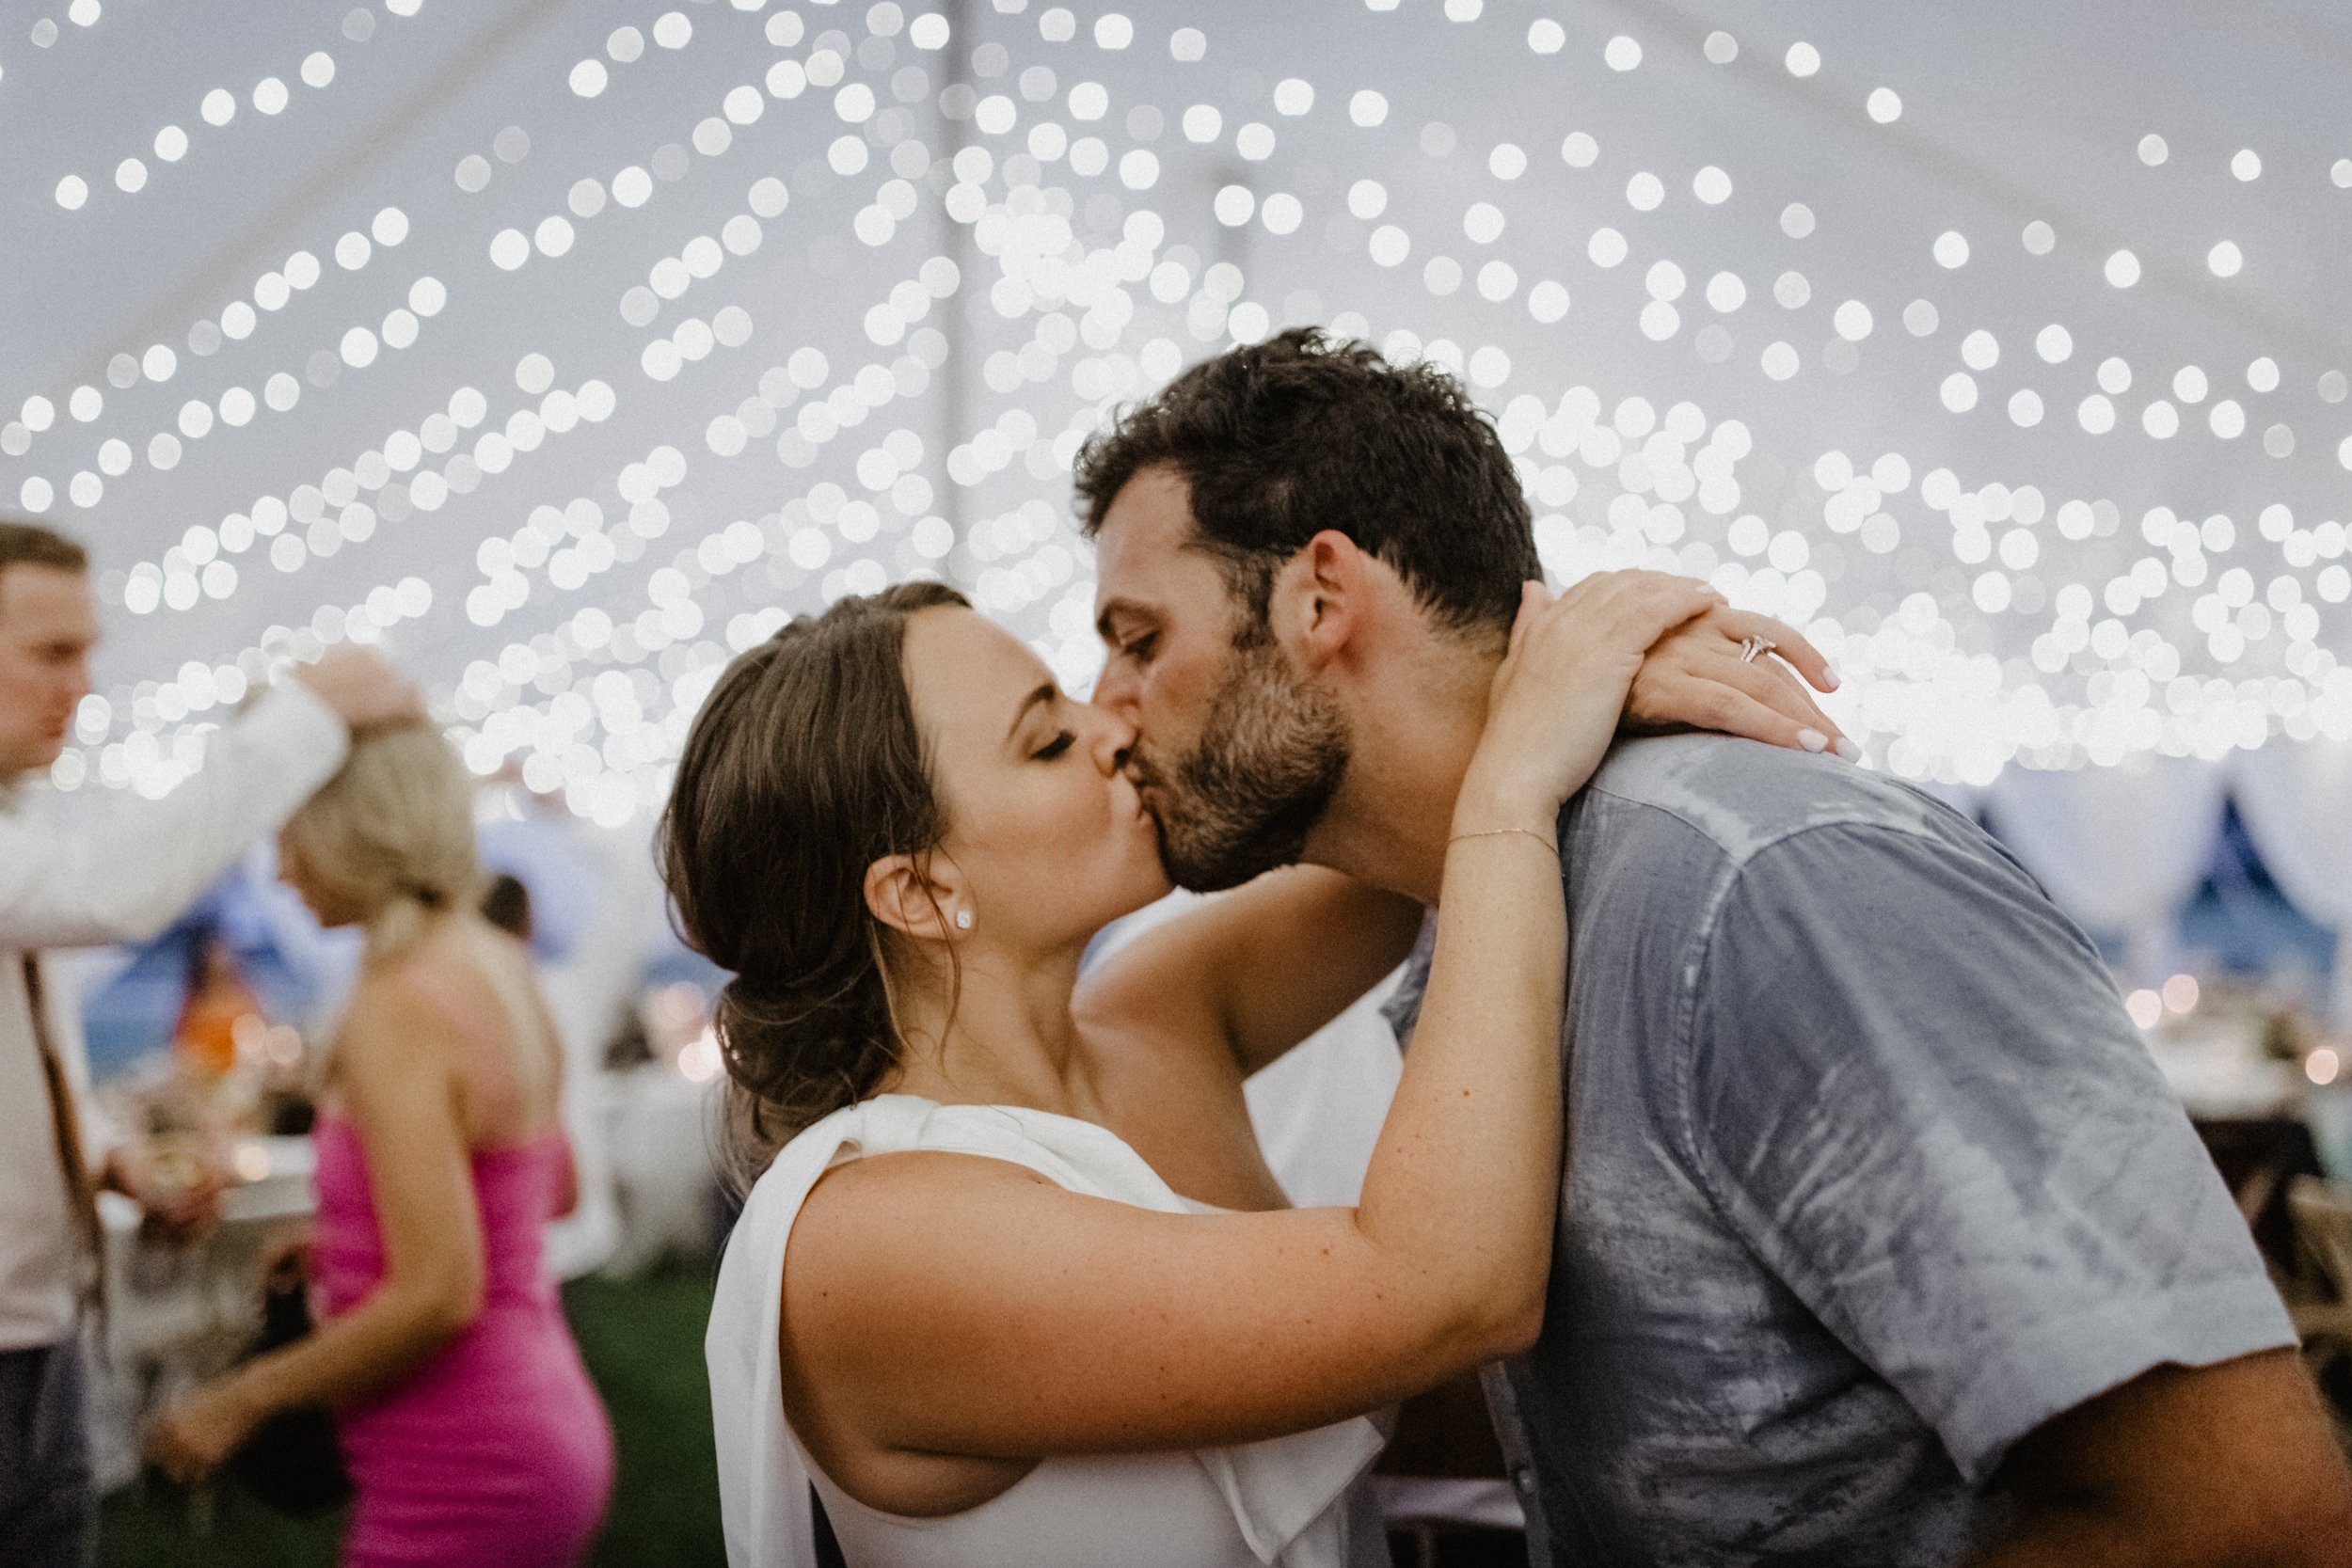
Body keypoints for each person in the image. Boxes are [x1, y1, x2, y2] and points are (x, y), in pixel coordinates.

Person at [1074, 328, 2352, 1567]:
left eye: (1138, 638)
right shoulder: (1494, 915)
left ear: (1319, 595)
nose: (1106, 708)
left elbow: (2249, 1515)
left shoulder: (1761, 880)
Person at [671, 565, 1836, 1568]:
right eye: (1046, 737)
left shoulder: (1156, 1017)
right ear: (920, 892)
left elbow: (1401, 790)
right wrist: (1515, 777)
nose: (1112, 728)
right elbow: (1445, 1289)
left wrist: (1602, 657)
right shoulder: (874, 1240)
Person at [0, 517, 419, 1566]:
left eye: (89, 651)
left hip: (44, 1335)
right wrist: (308, 713)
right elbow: (124, 888)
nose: (83, 685)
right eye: (53, 651)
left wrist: (106, 1156)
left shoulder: (18, 831)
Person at [146, 721, 614, 1568]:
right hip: (536, 1412)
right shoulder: (493, 962)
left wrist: (235, 1401)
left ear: (349, 828)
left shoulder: (398, 1003)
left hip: (466, 1452)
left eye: (288, 837)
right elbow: (550, 1189)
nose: (280, 871)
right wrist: (352, 1246)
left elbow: (442, 1293)